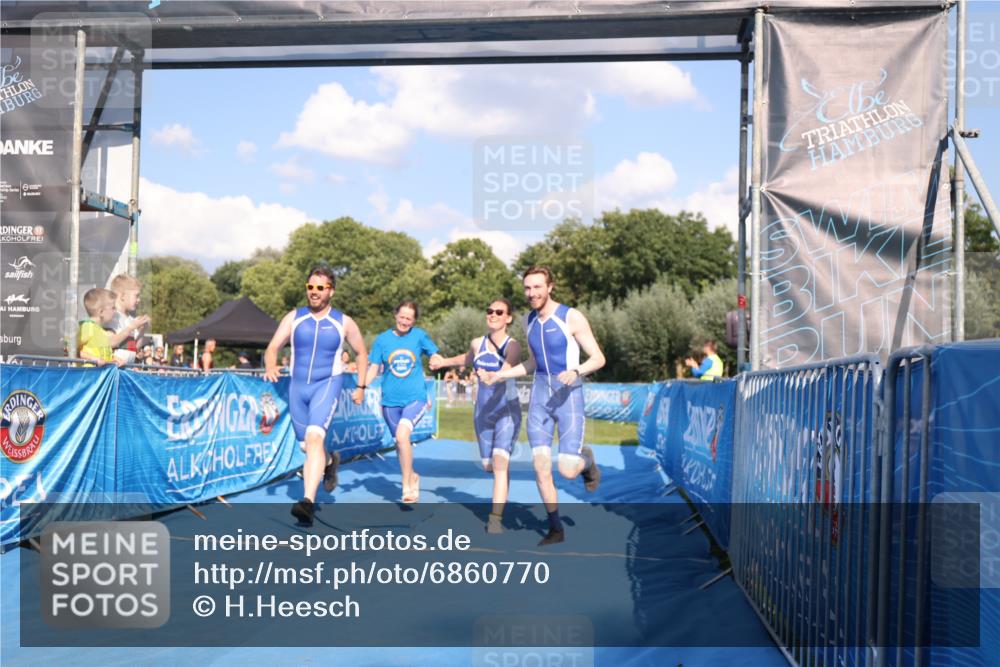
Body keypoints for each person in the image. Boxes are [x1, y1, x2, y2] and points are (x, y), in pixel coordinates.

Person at [481, 266, 605, 546]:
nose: (532, 293)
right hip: (539, 399)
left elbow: (599, 358)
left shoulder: (571, 317)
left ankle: (588, 463)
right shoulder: (527, 321)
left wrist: (577, 371)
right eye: (527, 288)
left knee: (567, 471)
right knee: (540, 466)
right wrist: (500, 373)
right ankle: (555, 528)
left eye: (537, 287)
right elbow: (533, 363)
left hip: (568, 397)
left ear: (550, 287)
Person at [264, 264, 368, 526]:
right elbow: (273, 347)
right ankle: (331, 460)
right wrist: (270, 364)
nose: (314, 292)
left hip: (327, 384)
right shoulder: (294, 317)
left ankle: (307, 502)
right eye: (310, 287)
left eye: (320, 288)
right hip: (298, 388)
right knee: (307, 446)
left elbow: (362, 353)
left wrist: (360, 386)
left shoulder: (343, 322)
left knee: (313, 438)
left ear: (331, 291)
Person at [431, 299, 522, 533]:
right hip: (483, 412)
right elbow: (467, 359)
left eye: (499, 312)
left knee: (501, 462)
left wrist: (492, 375)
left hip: (506, 411)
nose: (493, 314)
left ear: (508, 318)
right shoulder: (477, 343)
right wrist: (444, 362)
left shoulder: (513, 345)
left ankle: (495, 519)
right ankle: (500, 491)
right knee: (489, 466)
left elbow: (507, 369)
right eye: (489, 311)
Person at [365, 300, 443, 504]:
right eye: (402, 317)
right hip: (390, 403)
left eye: (409, 318)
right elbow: (373, 367)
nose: (405, 321)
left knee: (402, 436)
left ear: (414, 320)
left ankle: (407, 485)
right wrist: (361, 386)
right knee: (401, 444)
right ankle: (413, 475)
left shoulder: (418, 336)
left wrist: (435, 358)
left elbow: (433, 353)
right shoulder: (382, 340)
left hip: (415, 398)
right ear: (395, 316)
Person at [107, 274, 150, 365]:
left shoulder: (130, 319)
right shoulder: (111, 316)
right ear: (122, 296)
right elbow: (110, 343)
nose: (139, 300)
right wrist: (131, 327)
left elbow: (134, 348)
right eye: (136, 296)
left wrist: (142, 330)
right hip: (113, 370)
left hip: (126, 370)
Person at [79, 288, 124, 367]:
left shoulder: (101, 331)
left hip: (99, 376)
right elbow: (71, 349)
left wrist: (114, 359)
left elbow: (102, 356)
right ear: (101, 312)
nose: (115, 310)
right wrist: (93, 358)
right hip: (88, 376)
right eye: (113, 308)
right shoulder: (87, 327)